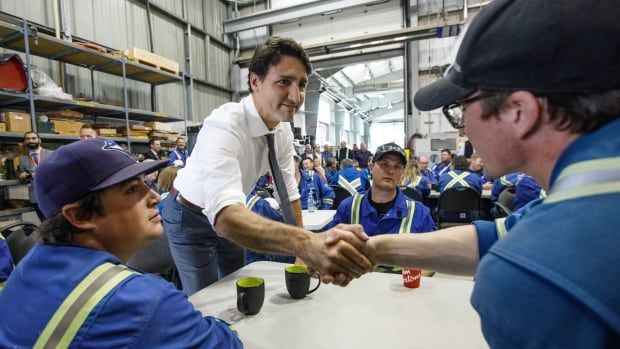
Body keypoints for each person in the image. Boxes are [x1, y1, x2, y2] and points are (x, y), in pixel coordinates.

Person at [348, 1, 620, 346]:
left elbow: (512, 253)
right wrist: (374, 248)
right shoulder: (586, 199)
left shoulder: (529, 282)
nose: (464, 131)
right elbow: (497, 237)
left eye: (461, 110)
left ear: (519, 112)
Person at [163, 36, 372, 295]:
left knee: (236, 290)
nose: (296, 96)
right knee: (205, 299)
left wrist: (301, 257)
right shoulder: (225, 125)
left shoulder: (282, 130)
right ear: (255, 82)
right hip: (190, 216)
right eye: (284, 82)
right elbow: (225, 220)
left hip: (231, 213)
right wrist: (304, 243)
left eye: (302, 85)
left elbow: (289, 195)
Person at [0, 139, 242, 347]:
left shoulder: (28, 268)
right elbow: (225, 343)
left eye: (145, 183)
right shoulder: (142, 301)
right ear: (79, 216)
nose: (154, 196)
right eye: (131, 190)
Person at [328, 142, 434, 255]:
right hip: (358, 273)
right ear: (371, 166)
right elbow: (329, 246)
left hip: (401, 273)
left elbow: (432, 256)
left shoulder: (419, 213)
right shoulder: (349, 207)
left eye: (397, 167)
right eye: (384, 164)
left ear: (402, 172)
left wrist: (412, 273)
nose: (390, 171)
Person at [18, 131, 54, 220]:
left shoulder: (52, 154)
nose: (31, 140)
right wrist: (22, 176)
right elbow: (23, 180)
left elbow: (58, 172)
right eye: (28, 139)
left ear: (39, 140)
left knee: (58, 222)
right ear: (25, 142)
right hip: (36, 197)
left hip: (53, 195)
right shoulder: (23, 159)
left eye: (33, 138)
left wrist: (37, 173)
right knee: (45, 223)